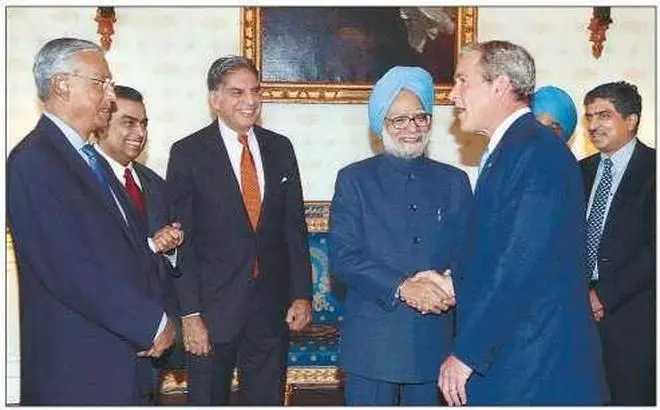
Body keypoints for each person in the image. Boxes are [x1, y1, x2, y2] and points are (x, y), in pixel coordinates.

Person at [7, 37, 176, 404]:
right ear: (61, 85)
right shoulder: (33, 161)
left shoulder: (93, 160)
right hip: (75, 369)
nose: (110, 95)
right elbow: (70, 269)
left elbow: (130, 249)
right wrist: (150, 324)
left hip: (120, 360)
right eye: (101, 82)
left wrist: (158, 314)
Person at [439, 40, 606, 405]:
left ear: (499, 86)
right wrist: (449, 280)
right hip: (517, 359)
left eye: (462, 80)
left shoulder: (535, 152)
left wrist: (467, 352)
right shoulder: (512, 149)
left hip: (534, 367)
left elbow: (517, 267)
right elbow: (499, 247)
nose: (453, 94)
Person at [166, 55, 313, 405]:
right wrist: (190, 315)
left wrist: (302, 294)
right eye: (237, 92)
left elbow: (294, 227)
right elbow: (181, 243)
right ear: (215, 99)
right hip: (212, 313)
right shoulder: (188, 153)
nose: (250, 100)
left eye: (255, 90)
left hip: (270, 310)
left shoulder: (281, 148)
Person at [329, 66, 472, 405]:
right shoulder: (354, 180)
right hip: (373, 342)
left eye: (420, 117)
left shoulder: (454, 181)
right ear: (382, 124)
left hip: (434, 339)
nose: (412, 128)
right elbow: (343, 258)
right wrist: (404, 287)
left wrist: (449, 283)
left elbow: (470, 252)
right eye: (400, 120)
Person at [93, 84, 185, 402]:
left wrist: (171, 248)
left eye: (144, 123)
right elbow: (92, 261)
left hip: (154, 335)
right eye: (129, 122)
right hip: (104, 335)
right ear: (102, 121)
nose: (139, 132)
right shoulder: (83, 180)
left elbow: (171, 265)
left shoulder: (154, 183)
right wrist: (151, 246)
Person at [580, 81, 655, 405]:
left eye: (604, 115)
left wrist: (604, 296)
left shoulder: (654, 170)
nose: (593, 125)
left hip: (634, 320)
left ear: (631, 119)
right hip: (578, 315)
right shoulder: (579, 170)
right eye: (589, 117)